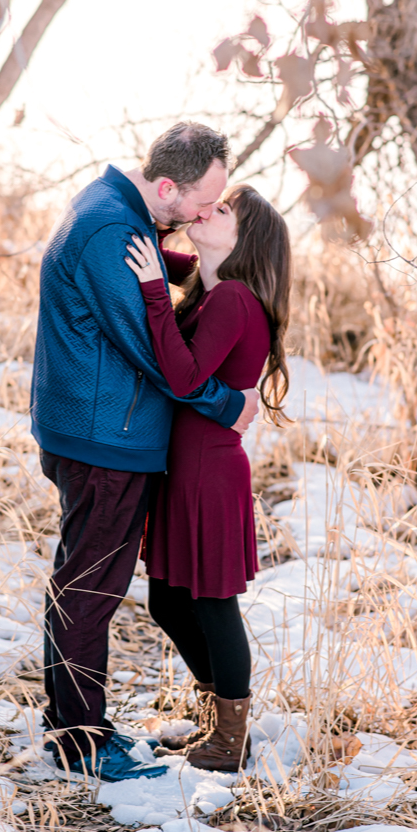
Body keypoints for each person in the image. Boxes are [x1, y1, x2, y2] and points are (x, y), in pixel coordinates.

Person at [29, 122, 259, 782]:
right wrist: (228, 406)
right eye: (202, 201)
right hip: (106, 442)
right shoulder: (113, 234)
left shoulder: (120, 212)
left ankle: (75, 727)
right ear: (165, 186)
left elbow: (154, 281)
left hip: (96, 430)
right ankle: (81, 742)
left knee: (82, 581)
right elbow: (152, 352)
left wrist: (226, 271)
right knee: (88, 591)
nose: (206, 213)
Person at [123, 184, 291, 772]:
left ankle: (230, 735)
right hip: (185, 463)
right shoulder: (211, 287)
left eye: (222, 210)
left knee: (213, 603)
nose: (207, 210)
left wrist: (151, 292)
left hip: (208, 469)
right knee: (169, 602)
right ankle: (218, 709)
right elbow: (160, 254)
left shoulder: (234, 300)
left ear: (245, 238)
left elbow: (183, 374)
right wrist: (142, 234)